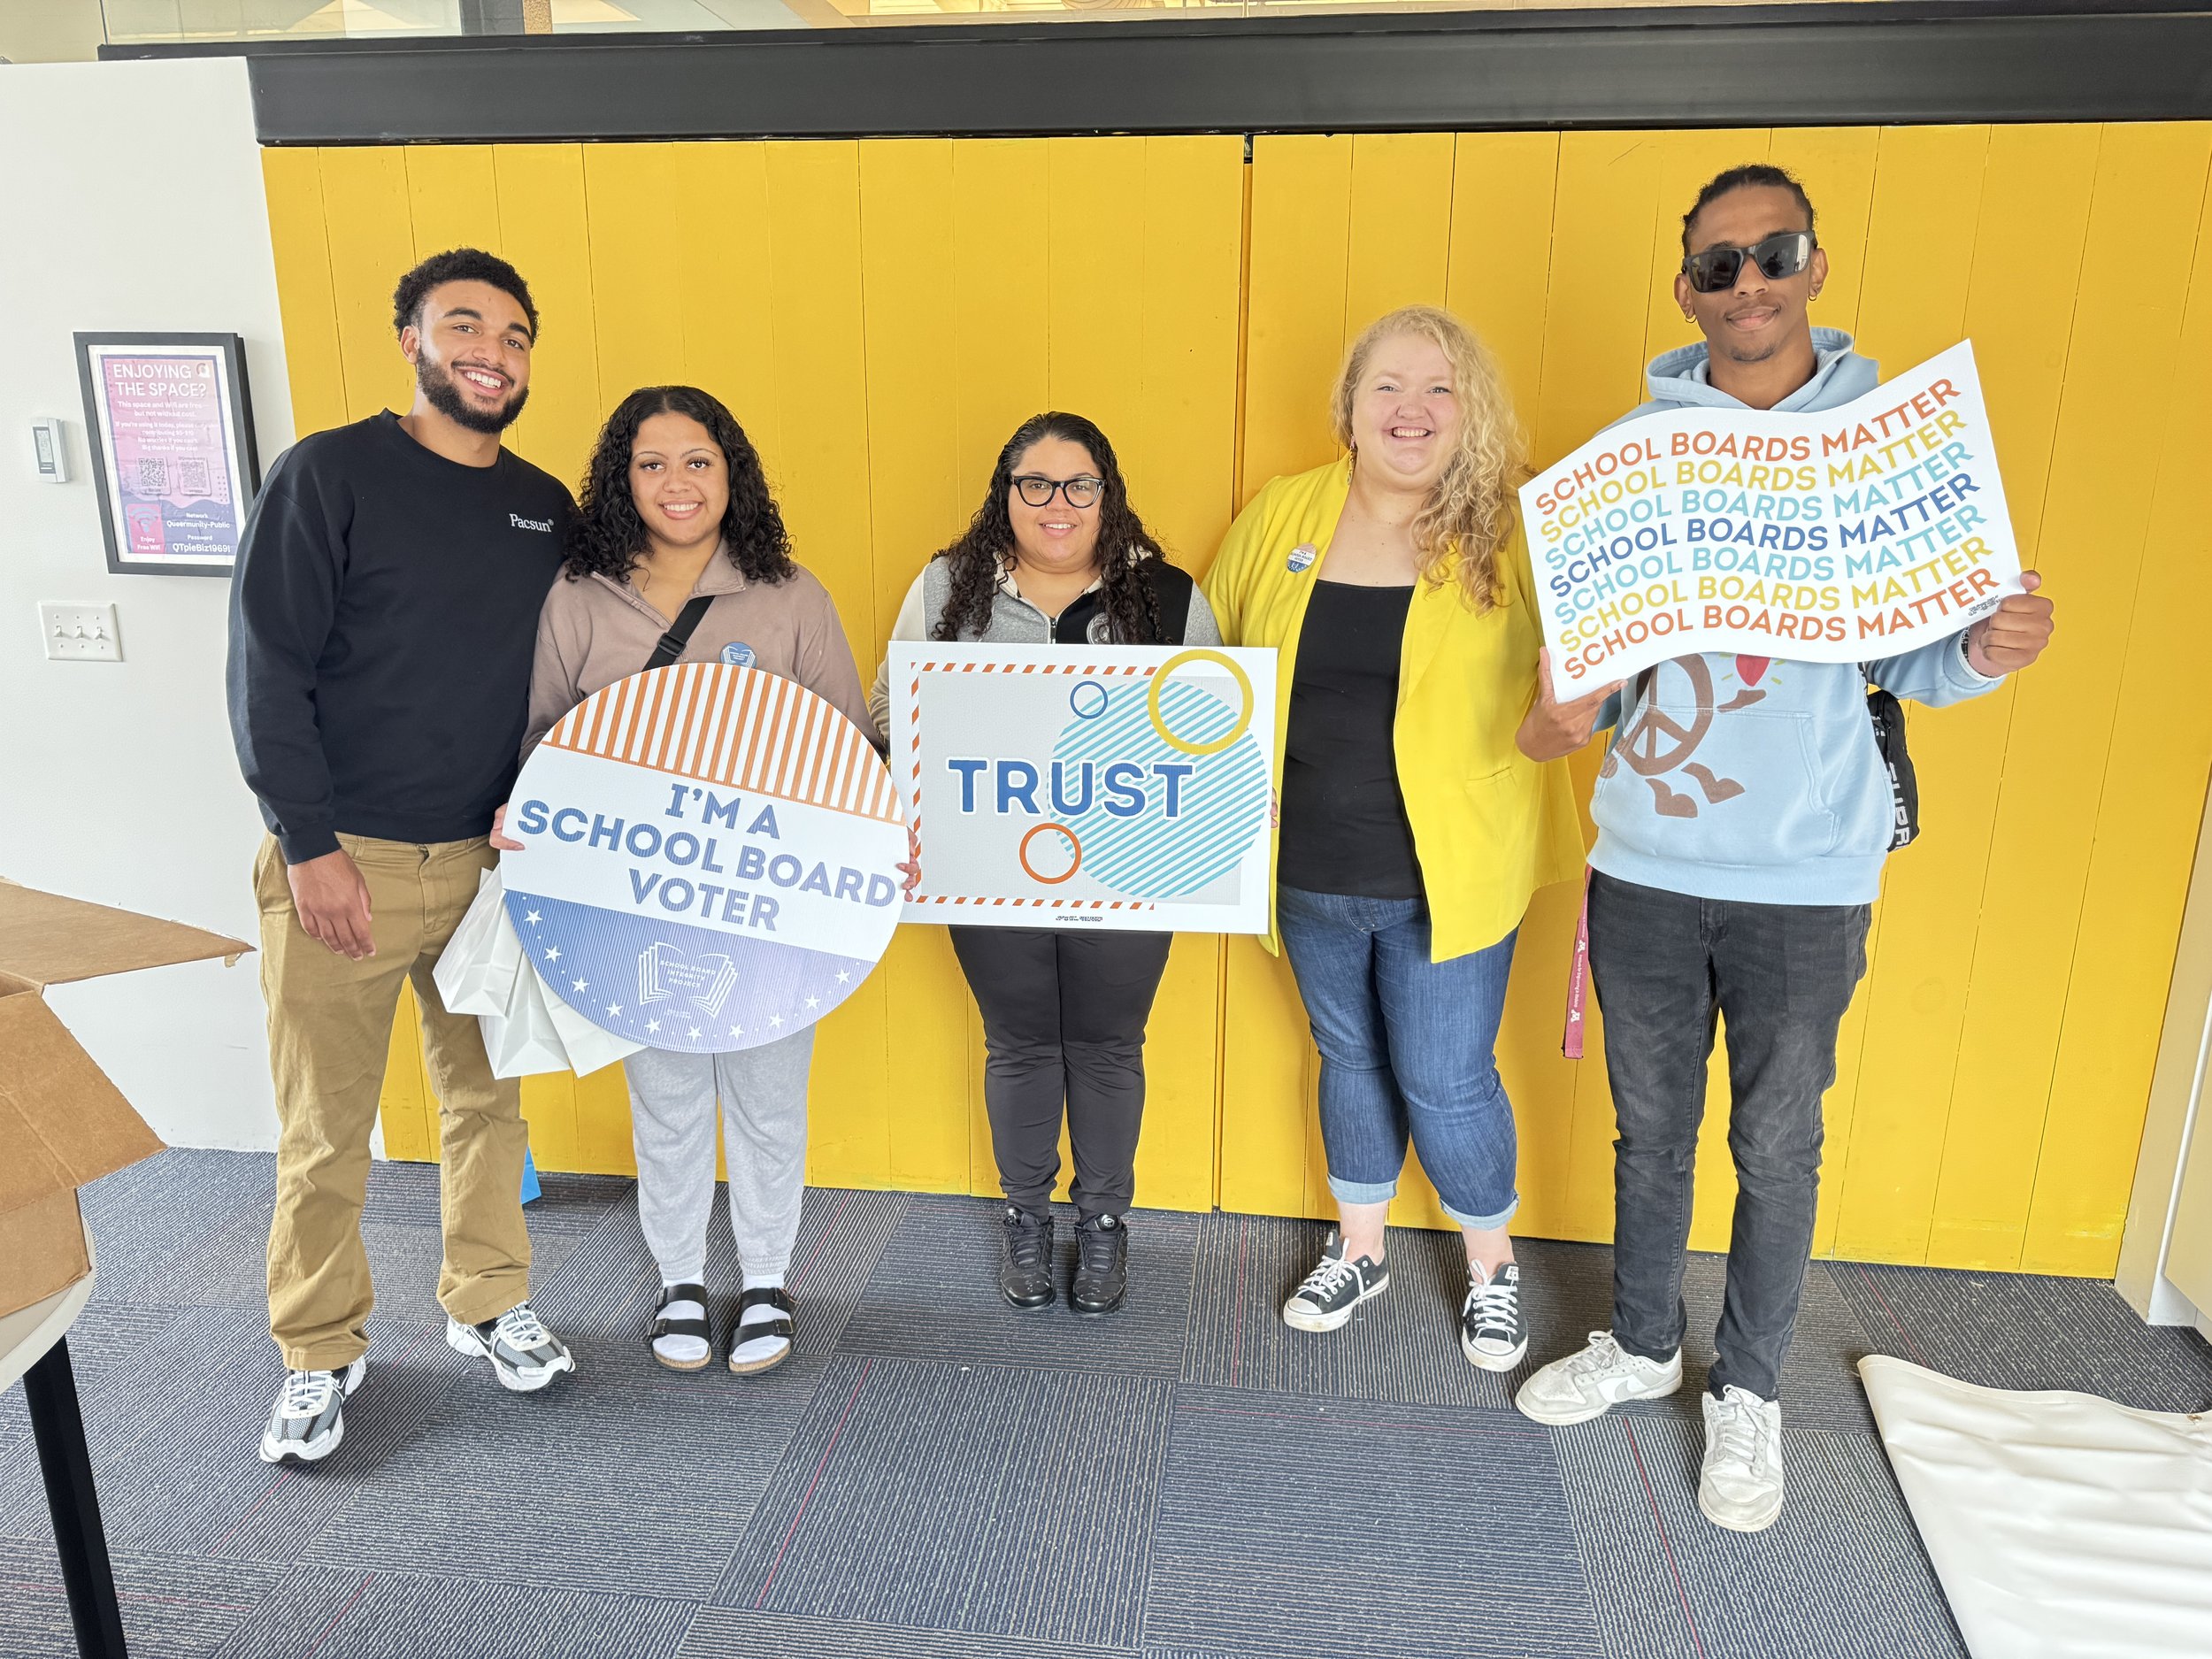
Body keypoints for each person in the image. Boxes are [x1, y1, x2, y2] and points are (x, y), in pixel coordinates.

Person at [1513, 165, 2057, 1532]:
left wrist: (1988, 649)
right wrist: (1561, 703)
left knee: (1778, 1139)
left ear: (1814, 264)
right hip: (1643, 858)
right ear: (1687, 288)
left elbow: (1924, 663)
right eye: (1717, 264)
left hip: (1809, 877)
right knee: (1653, 1134)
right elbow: (1576, 695)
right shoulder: (1637, 456)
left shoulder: (1890, 448)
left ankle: (1745, 1386)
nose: (1746, 282)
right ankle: (1643, 1343)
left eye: (1773, 253)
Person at [229, 248, 578, 1466]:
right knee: (325, 1128)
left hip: (489, 865)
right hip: (347, 864)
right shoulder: (328, 475)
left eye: (516, 335)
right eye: (465, 325)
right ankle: (318, 1349)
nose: (493, 351)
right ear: (411, 338)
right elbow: (267, 668)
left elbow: (566, 683)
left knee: (489, 1101)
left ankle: (488, 1300)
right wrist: (307, 844)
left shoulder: (545, 506)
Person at [1204, 306, 1582, 1369]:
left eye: (1439, 389)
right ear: (1349, 407)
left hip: (1448, 872)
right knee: (1347, 1057)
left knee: (1447, 1076)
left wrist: (1562, 725)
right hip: (1306, 864)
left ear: (1472, 411)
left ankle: (1492, 1270)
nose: (1410, 411)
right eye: (1387, 387)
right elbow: (1213, 658)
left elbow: (1576, 690)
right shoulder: (1285, 513)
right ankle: (1360, 1247)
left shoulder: (1512, 530)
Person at [499, 385, 874, 1376]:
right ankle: (677, 1280)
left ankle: (763, 1280)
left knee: (765, 1096)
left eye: (698, 460)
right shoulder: (579, 598)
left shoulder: (790, 596)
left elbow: (849, 748)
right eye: (652, 463)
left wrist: (877, 847)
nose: (677, 483)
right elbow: (542, 738)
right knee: (664, 1100)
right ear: (622, 480)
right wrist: (526, 811)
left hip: (769, 902)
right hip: (631, 908)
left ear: (731, 473)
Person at [868, 412, 1220, 1317]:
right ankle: (1027, 1215)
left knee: (1108, 1047)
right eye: (1035, 484)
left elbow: (1216, 737)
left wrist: (1232, 804)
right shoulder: (947, 589)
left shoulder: (1171, 598)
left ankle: (1102, 1224)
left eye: (1079, 486)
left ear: (1109, 495)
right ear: (1004, 493)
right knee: (1019, 1043)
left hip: (1130, 877)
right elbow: (889, 718)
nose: (1056, 505)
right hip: (987, 872)